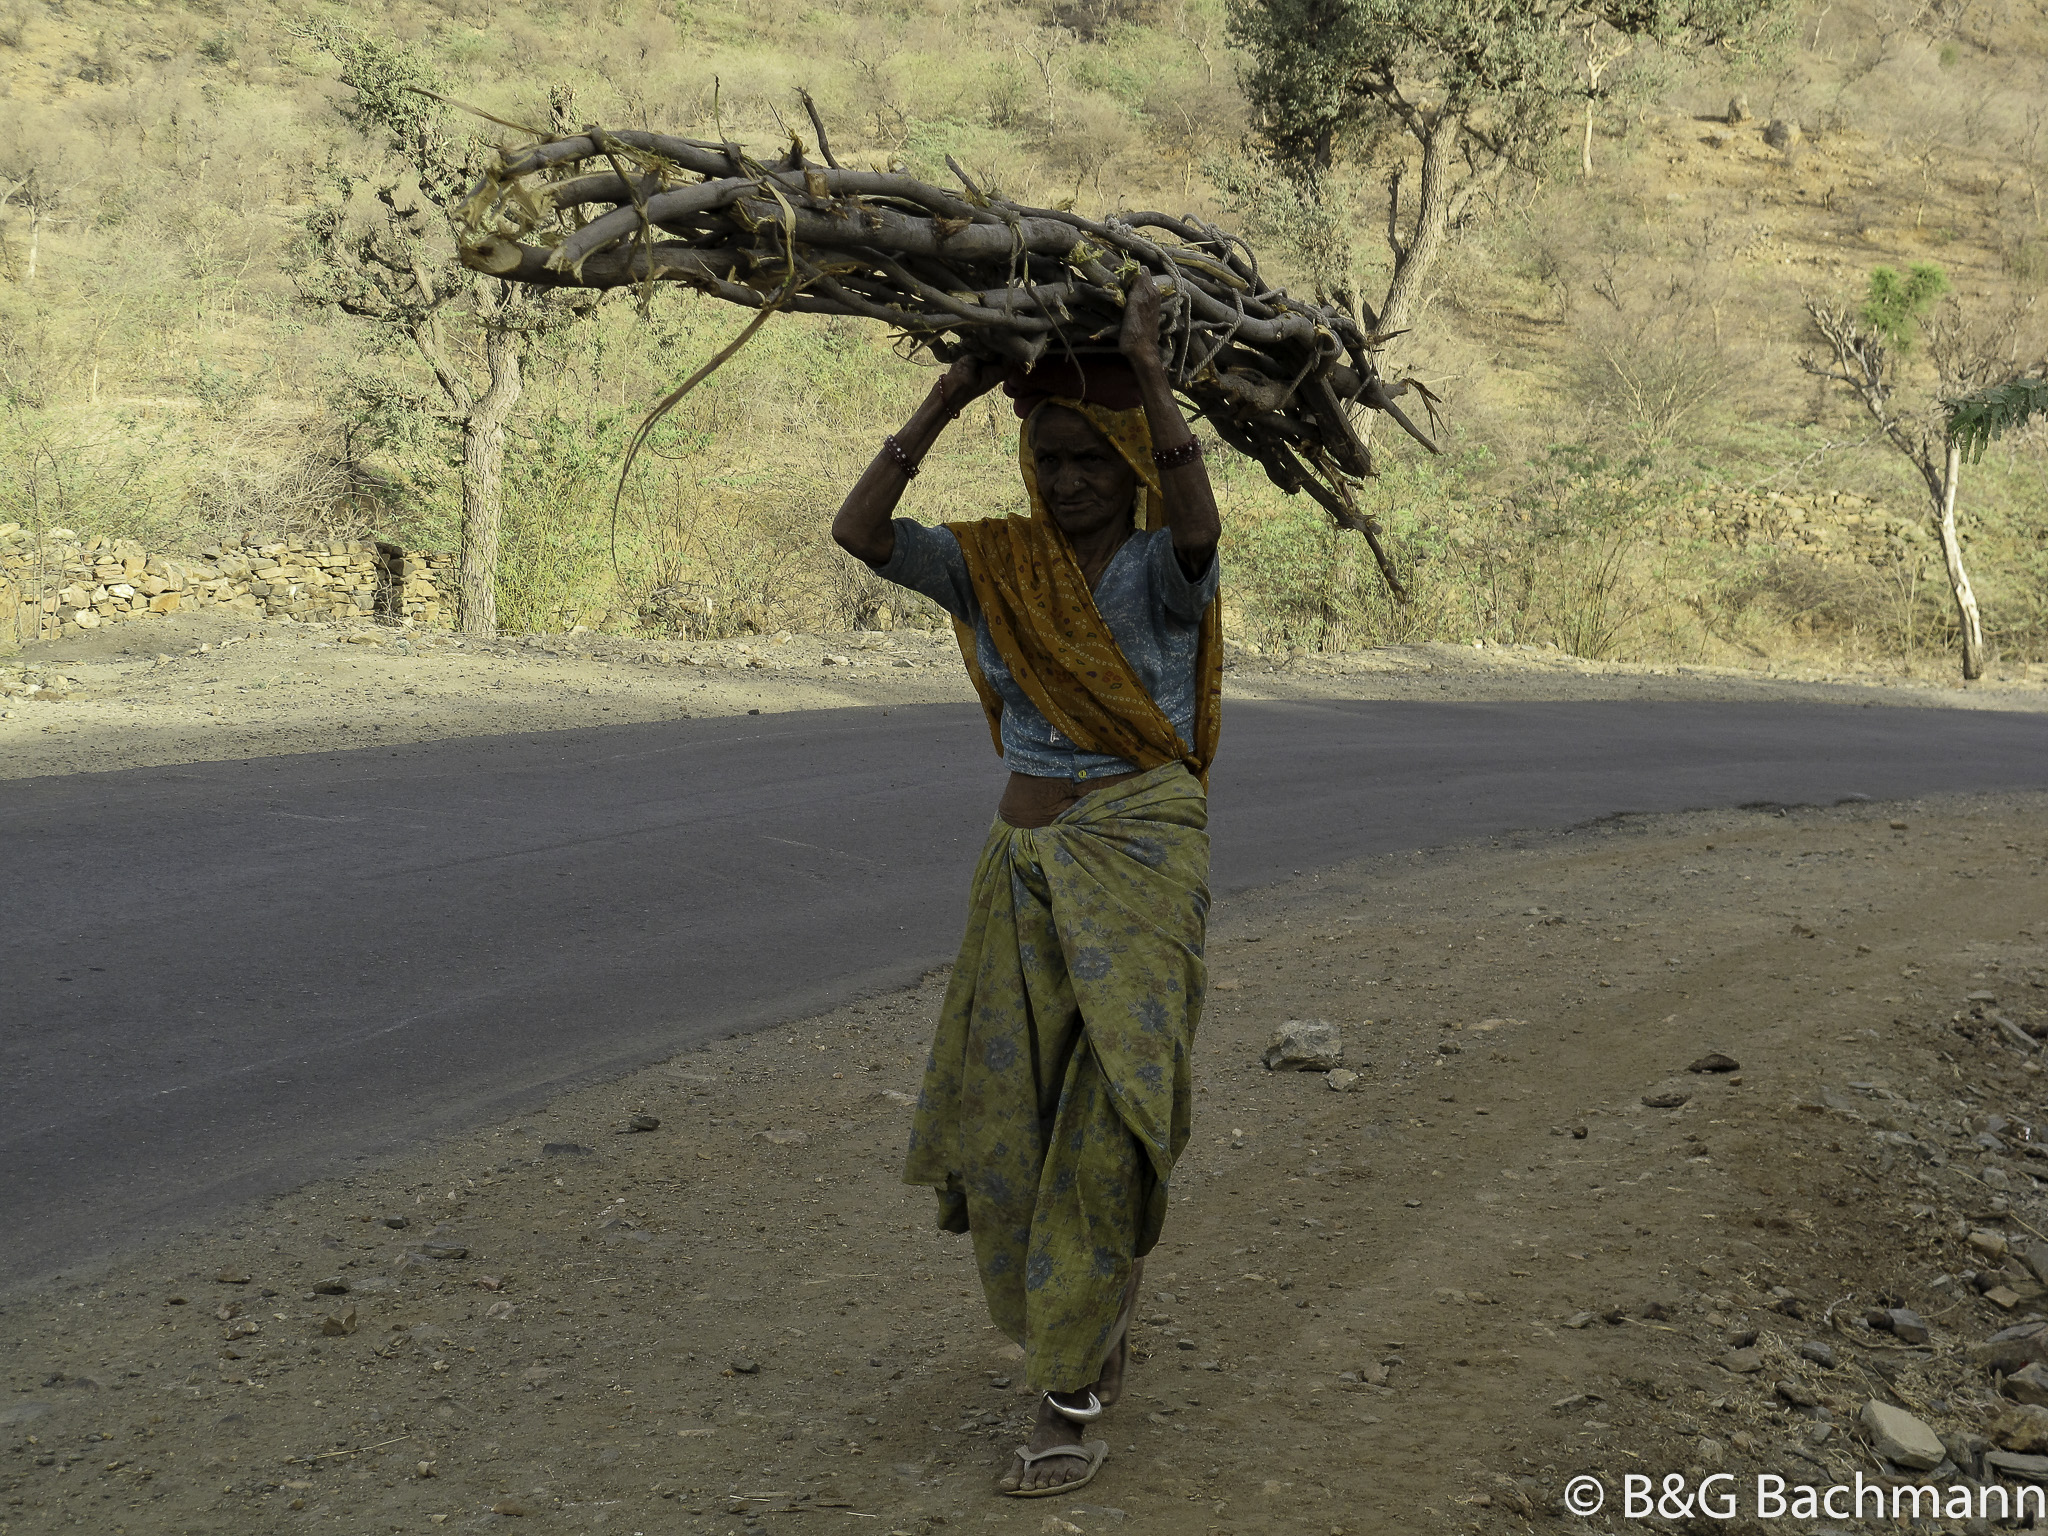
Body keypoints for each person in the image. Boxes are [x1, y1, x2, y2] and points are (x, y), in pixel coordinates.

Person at [830, 273, 1223, 1498]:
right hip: (1017, 871)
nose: (1060, 483)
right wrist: (948, 390)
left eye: (1083, 461)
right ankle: (1081, 1325)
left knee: (1110, 1121)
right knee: (1018, 1123)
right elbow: (859, 533)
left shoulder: (1165, 570)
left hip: (1140, 858)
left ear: (1127, 467)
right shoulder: (992, 565)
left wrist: (1151, 377)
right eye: (1043, 459)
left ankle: (1068, 1391)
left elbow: (1202, 523)